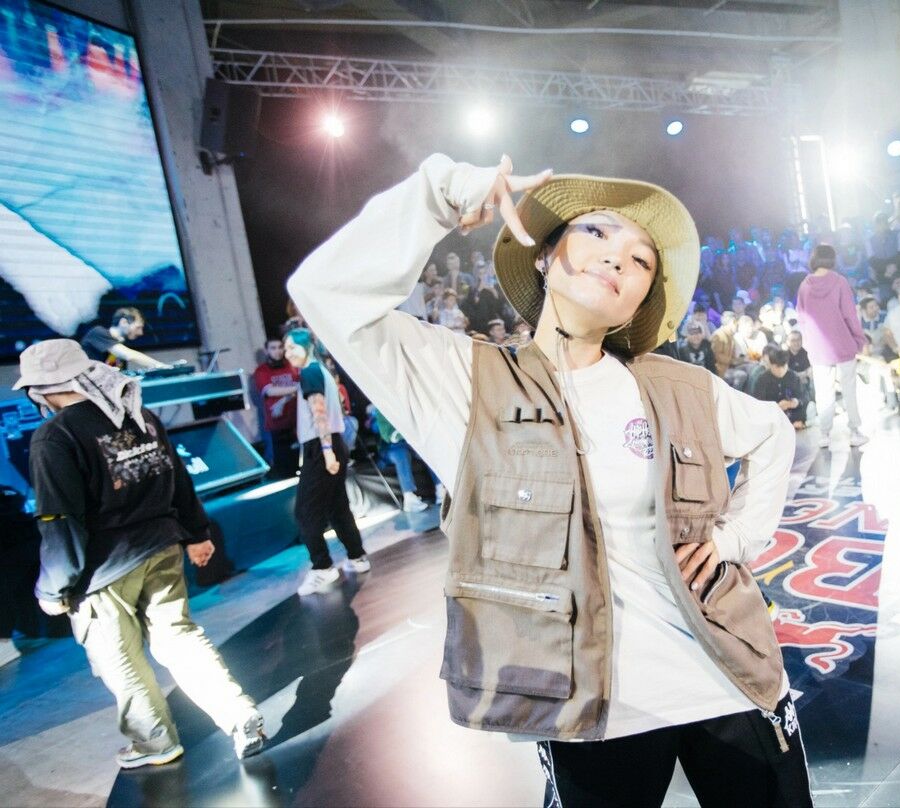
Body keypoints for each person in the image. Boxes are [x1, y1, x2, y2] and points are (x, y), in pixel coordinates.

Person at [287, 154, 812, 806]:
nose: (618, 257)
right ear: (543, 256)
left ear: (637, 303)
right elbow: (325, 294)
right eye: (596, 232)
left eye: (641, 260)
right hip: (594, 711)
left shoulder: (679, 386)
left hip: (732, 678)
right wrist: (440, 193)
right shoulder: (467, 383)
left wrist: (735, 539)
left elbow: (774, 433)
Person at [14, 340, 265, 768]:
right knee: (180, 638)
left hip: (104, 572)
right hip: (162, 548)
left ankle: (155, 744)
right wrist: (197, 533)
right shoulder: (138, 415)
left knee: (121, 661)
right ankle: (238, 713)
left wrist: (54, 589)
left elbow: (59, 520)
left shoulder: (54, 436)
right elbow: (179, 480)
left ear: (41, 389)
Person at [283, 328, 371, 595]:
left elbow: (318, 411)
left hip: (322, 447)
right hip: (332, 443)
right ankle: (357, 556)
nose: (287, 354)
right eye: (285, 349)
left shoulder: (310, 372)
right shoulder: (322, 371)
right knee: (337, 506)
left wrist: (326, 450)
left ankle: (322, 567)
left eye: (292, 347)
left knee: (306, 511)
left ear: (307, 347)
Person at [795, 244, 869, 448]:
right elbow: (850, 314)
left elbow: (801, 319)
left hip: (818, 347)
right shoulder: (839, 282)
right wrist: (859, 339)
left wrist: (808, 344)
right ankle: (854, 431)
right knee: (849, 389)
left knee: (823, 392)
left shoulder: (805, 286)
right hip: (842, 342)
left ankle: (824, 434)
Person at [253, 337, 301, 478]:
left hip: (298, 420)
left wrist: (292, 391)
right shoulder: (261, 371)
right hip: (278, 423)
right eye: (273, 348)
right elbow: (270, 391)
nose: (277, 351)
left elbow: (302, 385)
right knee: (283, 466)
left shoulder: (291, 366)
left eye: (280, 347)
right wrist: (296, 388)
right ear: (267, 350)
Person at [367, 404, 428, 512]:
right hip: (389, 448)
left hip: (408, 444)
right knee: (401, 454)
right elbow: (388, 436)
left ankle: (440, 489)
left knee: (426, 449)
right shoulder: (380, 409)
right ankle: (409, 497)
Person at [80, 308, 170, 371]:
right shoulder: (97, 332)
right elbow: (129, 355)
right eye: (138, 327)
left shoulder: (121, 343)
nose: (141, 333)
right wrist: (161, 366)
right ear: (123, 322)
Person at [751, 345, 809, 429]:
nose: (781, 370)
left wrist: (796, 402)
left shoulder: (793, 377)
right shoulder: (762, 379)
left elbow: (804, 397)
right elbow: (757, 404)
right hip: (771, 417)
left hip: (792, 415)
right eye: (777, 367)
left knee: (811, 408)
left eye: (783, 366)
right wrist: (776, 407)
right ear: (771, 365)